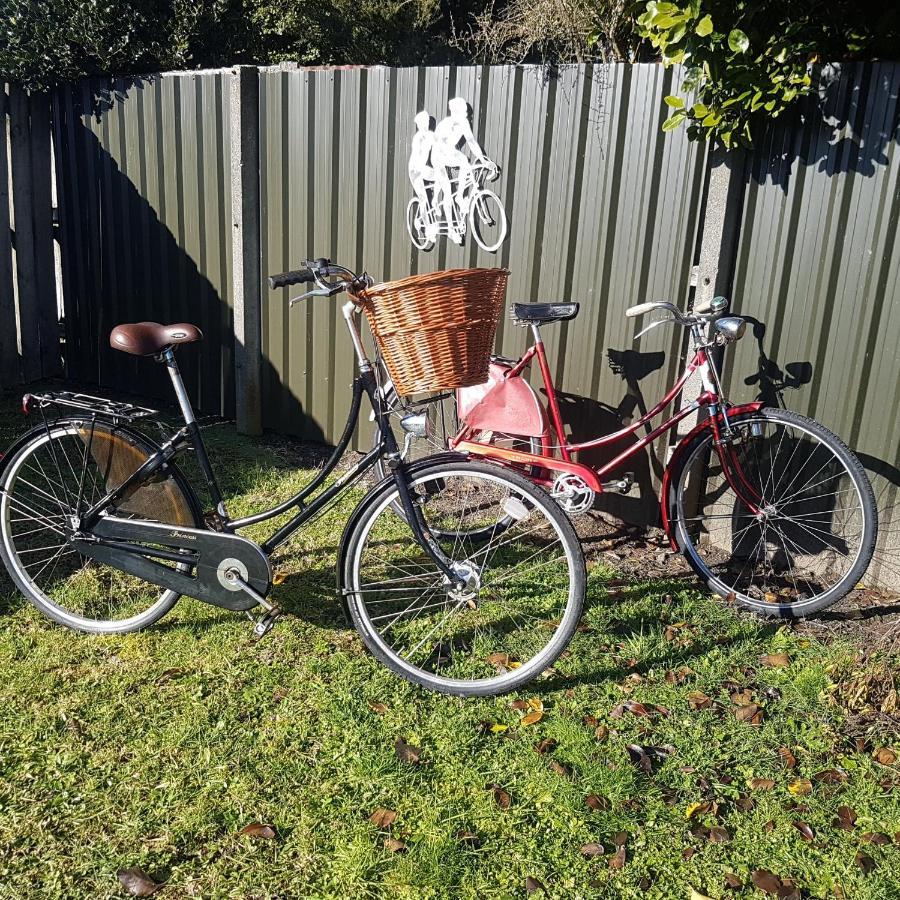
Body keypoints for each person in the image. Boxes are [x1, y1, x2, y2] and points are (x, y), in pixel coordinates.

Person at [432, 97, 489, 243]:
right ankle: (451, 230)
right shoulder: (445, 125)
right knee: (448, 192)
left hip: (450, 153)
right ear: (455, 112)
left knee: (465, 161)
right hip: (438, 157)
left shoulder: (463, 123)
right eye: (463, 112)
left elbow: (472, 142)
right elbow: (439, 148)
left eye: (466, 112)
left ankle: (459, 197)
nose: (466, 115)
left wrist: (484, 161)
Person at [407, 110, 438, 242]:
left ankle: (437, 203)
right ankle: (428, 229)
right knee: (424, 198)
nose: (423, 126)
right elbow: (419, 159)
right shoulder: (417, 138)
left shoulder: (431, 135)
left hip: (425, 169)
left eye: (425, 123)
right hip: (415, 170)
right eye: (421, 124)